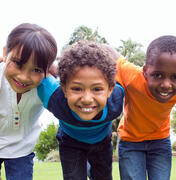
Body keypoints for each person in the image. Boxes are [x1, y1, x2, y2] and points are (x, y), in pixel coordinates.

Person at [116, 35, 176, 180]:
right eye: (158, 75)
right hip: (131, 142)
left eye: (175, 77)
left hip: (160, 142)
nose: (166, 84)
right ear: (145, 72)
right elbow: (112, 56)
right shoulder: (132, 77)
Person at [37, 41, 124, 180]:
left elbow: (134, 75)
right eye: (77, 89)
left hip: (101, 143)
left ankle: (89, 168)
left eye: (97, 89)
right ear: (64, 89)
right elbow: (36, 66)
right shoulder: (55, 98)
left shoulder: (116, 99)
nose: (87, 99)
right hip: (71, 142)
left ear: (110, 90)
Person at [0, 23, 57, 180]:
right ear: (5, 53)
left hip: (21, 148)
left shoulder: (47, 87)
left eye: (36, 70)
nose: (24, 77)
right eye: (18, 63)